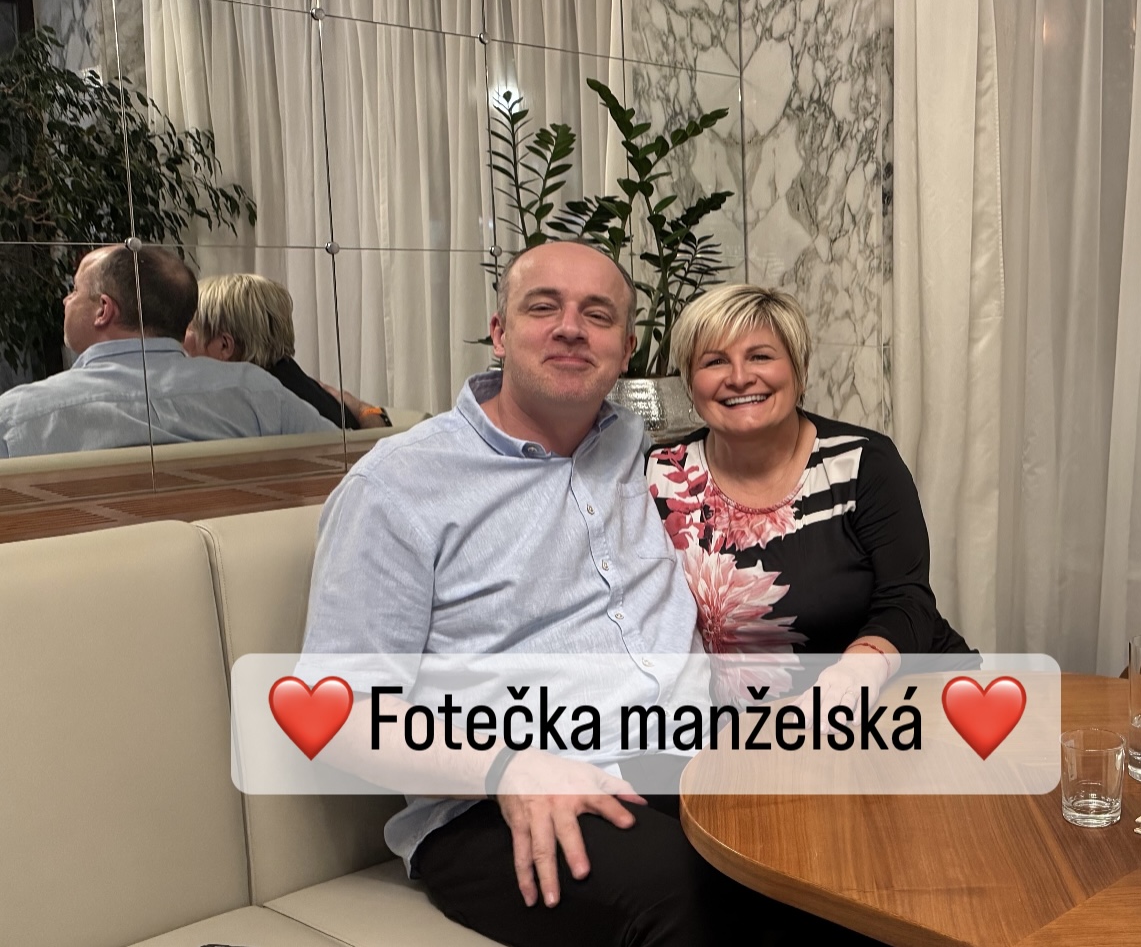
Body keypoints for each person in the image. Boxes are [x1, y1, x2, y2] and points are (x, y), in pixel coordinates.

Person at [300, 241, 869, 947]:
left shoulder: (638, 450)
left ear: (625, 350)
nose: (571, 328)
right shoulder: (398, 486)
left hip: (684, 756)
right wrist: (506, 767)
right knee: (697, 896)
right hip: (496, 800)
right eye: (544, 307)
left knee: (852, 849)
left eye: (597, 315)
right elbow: (329, 713)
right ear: (500, 332)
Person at [646, 283, 972, 717]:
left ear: (799, 371)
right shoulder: (658, 476)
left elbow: (907, 599)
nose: (739, 377)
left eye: (760, 356)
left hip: (905, 698)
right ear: (690, 382)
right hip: (751, 729)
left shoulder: (862, 463)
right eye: (715, 361)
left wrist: (856, 674)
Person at [0, 244, 336, 457]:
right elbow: (342, 463)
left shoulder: (16, 419)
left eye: (75, 290)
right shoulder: (257, 393)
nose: (66, 300)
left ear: (104, 310)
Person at [184, 272, 390, 429]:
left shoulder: (243, 409)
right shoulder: (299, 384)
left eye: (190, 329)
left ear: (224, 346)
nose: (182, 339)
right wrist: (363, 410)